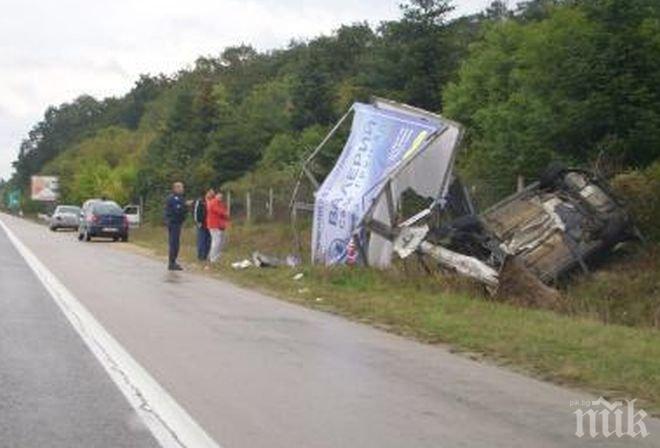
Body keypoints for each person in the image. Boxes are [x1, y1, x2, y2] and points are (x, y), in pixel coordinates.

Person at [164, 182, 187, 271]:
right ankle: (172, 262)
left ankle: (173, 261)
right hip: (173, 223)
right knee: (174, 243)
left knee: (176, 243)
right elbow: (177, 210)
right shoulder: (173, 198)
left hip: (177, 223)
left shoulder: (180, 198)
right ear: (175, 188)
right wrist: (185, 205)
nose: (182, 189)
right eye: (181, 187)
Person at [206, 191, 229, 263]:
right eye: (219, 196)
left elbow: (225, 212)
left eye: (221, 197)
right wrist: (225, 213)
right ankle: (213, 258)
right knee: (216, 242)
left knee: (221, 241)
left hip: (220, 225)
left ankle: (215, 256)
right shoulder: (213, 202)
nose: (220, 198)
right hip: (214, 225)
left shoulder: (220, 203)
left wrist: (225, 214)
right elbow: (219, 211)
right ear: (216, 196)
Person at [192, 189, 213, 261]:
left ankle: (206, 255)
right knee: (201, 240)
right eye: (210, 192)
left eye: (212, 192)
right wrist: (197, 221)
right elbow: (196, 212)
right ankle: (200, 256)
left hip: (210, 224)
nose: (211, 194)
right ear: (206, 193)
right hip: (202, 224)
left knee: (209, 241)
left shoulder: (213, 201)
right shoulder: (200, 201)